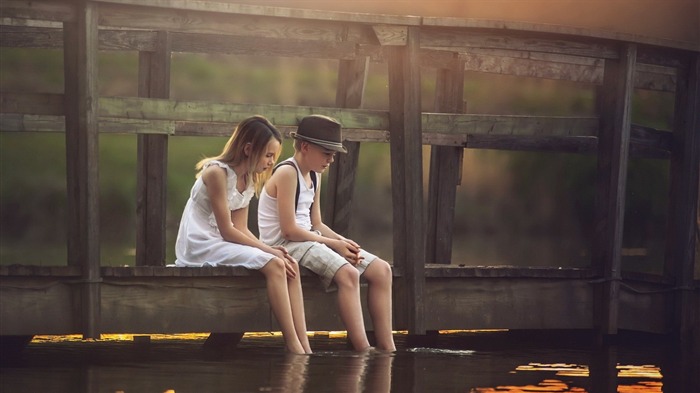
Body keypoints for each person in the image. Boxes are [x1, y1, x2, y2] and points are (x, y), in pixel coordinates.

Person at [174, 115, 311, 354]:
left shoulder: (248, 180)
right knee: (275, 264)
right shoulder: (217, 173)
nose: (271, 162)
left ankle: (304, 344)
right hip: (201, 242)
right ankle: (292, 345)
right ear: (248, 149)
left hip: (223, 240)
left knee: (289, 262)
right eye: (268, 155)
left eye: (274, 157)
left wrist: (273, 250)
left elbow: (242, 228)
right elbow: (227, 230)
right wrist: (268, 250)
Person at [258, 114, 396, 352]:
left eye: (333, 154)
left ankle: (388, 349)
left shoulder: (314, 174)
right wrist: (332, 245)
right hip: (285, 244)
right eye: (327, 153)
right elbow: (290, 230)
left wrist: (342, 241)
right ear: (305, 147)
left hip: (309, 239)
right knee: (349, 274)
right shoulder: (287, 173)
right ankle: (364, 350)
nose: (331, 160)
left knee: (382, 270)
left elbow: (317, 222)